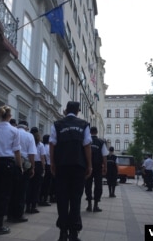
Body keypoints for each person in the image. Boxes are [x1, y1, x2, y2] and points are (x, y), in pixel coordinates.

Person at [49, 101, 92, 241]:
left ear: (66, 110)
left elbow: (52, 145)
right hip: (78, 167)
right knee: (75, 200)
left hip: (62, 166)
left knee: (62, 199)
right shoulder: (84, 125)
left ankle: (62, 233)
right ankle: (74, 234)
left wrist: (53, 163)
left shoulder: (57, 124)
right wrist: (89, 165)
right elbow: (87, 146)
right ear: (78, 111)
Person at [0, 105, 22, 235]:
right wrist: (20, 166)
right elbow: (17, 150)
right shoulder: (14, 131)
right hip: (7, 163)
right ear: (10, 116)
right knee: (4, 194)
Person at [7, 121, 36, 223]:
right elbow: (32, 154)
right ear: (27, 127)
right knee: (22, 191)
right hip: (25, 165)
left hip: (11, 163)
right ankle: (18, 214)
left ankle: (9, 214)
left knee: (11, 189)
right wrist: (33, 167)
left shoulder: (12, 132)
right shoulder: (29, 136)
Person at [85, 126, 108, 212]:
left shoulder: (87, 141)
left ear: (90, 132)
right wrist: (105, 167)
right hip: (98, 167)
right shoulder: (101, 142)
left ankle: (89, 205)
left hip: (88, 167)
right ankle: (96, 205)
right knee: (98, 185)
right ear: (97, 132)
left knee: (88, 185)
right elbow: (104, 156)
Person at [26, 127, 45, 213]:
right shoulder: (40, 145)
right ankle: (33, 206)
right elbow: (42, 158)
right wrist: (43, 168)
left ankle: (27, 206)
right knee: (36, 187)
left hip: (28, 163)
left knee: (28, 186)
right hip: (38, 165)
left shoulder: (29, 141)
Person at [39, 134, 52, 206]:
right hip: (48, 166)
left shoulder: (42, 146)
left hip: (42, 165)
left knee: (42, 183)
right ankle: (45, 199)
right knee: (47, 184)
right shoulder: (49, 147)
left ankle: (40, 198)